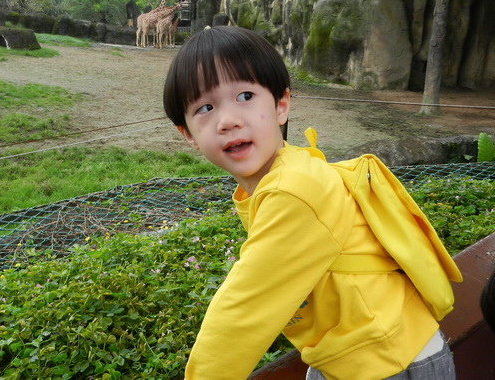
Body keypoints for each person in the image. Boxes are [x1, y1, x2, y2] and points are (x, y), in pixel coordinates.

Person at [163, 26, 457, 379]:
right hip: (357, 351)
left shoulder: (296, 190)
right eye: (206, 107)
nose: (228, 120)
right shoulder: (285, 175)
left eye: (244, 96)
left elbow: (242, 314)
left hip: (389, 360)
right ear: (188, 135)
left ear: (281, 105)